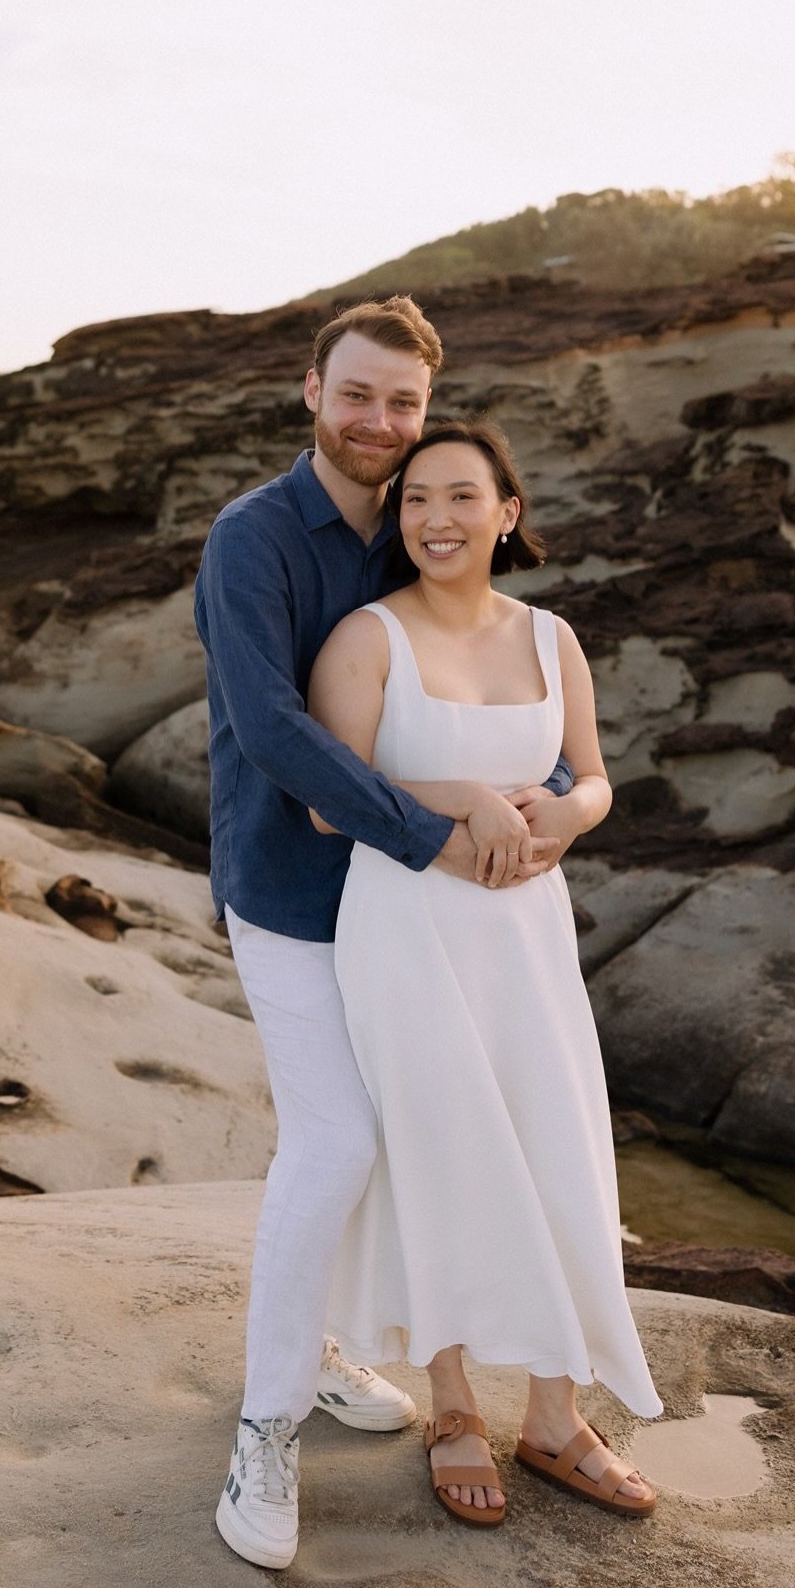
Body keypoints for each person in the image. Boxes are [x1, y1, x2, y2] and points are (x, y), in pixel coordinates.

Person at [193, 298, 571, 1570]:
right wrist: (438, 828)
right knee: (339, 1138)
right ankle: (265, 1427)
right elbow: (272, 730)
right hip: (297, 893)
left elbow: (480, 673)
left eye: (401, 402)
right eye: (356, 394)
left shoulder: (419, 527)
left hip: (417, 912)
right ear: (313, 390)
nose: (377, 421)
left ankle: (320, 1343)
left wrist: (539, 800)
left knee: (404, 1128)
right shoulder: (253, 539)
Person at [307, 419, 664, 1530]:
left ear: (507, 513)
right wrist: (464, 795)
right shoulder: (366, 637)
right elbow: (328, 804)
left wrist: (568, 812)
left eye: (462, 496)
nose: (436, 519)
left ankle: (556, 1417)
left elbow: (594, 777)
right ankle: (453, 1405)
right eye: (415, 499)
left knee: (558, 1142)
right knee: (441, 1149)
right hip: (408, 927)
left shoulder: (552, 638)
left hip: (526, 929)